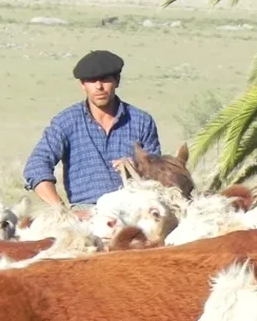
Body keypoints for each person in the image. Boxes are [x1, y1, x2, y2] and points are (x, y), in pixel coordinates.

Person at [23, 50, 161, 208]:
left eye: (105, 79)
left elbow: (157, 173)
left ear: (117, 80)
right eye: (91, 81)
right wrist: (61, 209)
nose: (99, 87)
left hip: (133, 210)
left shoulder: (142, 121)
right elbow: (36, 166)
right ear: (82, 85)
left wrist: (137, 166)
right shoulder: (66, 122)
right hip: (86, 212)